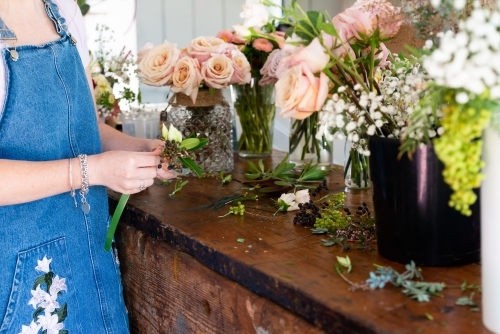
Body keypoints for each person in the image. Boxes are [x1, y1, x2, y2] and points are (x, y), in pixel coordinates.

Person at [0, 0, 176, 332]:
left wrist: (139, 148)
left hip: (88, 254)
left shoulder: (64, 10)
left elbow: (84, 125)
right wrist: (92, 170)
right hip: (17, 277)